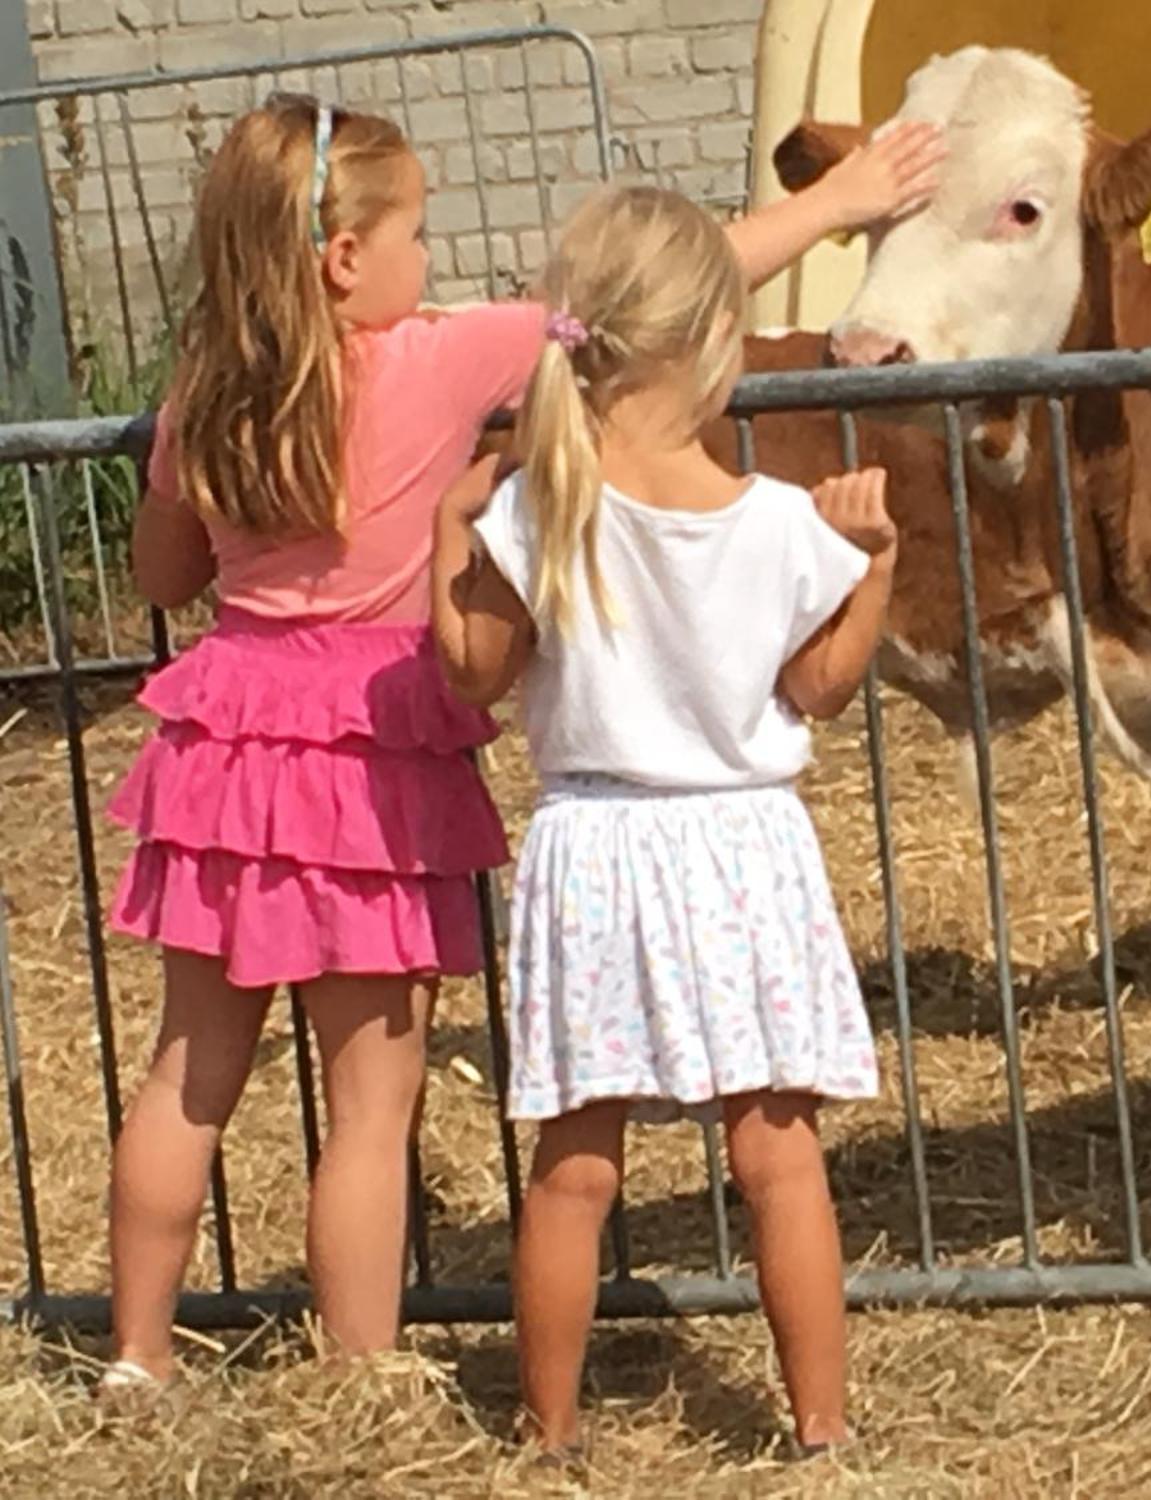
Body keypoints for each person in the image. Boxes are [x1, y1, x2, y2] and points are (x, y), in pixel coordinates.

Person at [104, 93, 940, 1394]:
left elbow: (163, 577)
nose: (432, 263)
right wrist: (836, 206)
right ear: (345, 258)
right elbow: (638, 305)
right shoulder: (435, 359)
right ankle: (362, 1371)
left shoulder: (199, 390)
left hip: (223, 753)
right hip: (368, 758)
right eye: (420, 235)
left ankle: (138, 1356)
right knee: (371, 1110)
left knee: (186, 1076)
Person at [429, 183, 894, 1458]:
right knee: (779, 1160)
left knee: (573, 1173)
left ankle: (551, 1431)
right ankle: (820, 1429)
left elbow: (470, 672)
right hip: (746, 849)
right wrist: (878, 568)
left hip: (595, 850)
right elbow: (819, 689)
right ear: (715, 347)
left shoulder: (539, 510)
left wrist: (445, 533)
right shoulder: (789, 529)